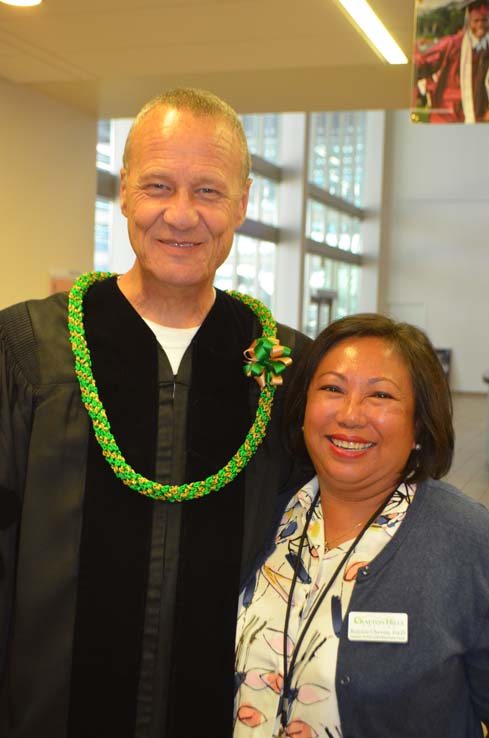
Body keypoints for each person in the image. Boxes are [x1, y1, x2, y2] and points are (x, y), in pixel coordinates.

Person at [0, 88, 311, 738]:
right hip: (48, 713)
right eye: (158, 186)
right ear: (122, 192)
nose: (180, 215)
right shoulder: (31, 351)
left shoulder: (287, 368)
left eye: (207, 191)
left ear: (243, 203)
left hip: (230, 715)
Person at [234, 313, 489, 738]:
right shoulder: (270, 515)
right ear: (303, 408)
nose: (351, 415)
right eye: (332, 388)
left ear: (419, 425)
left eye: (381, 396)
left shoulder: (466, 540)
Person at [414, 0, 489, 123]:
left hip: (479, 120)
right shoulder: (452, 45)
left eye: (484, 20)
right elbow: (424, 65)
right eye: (476, 20)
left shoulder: (486, 48)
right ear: (469, 21)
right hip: (447, 116)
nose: (481, 25)